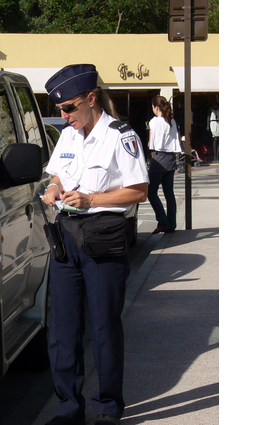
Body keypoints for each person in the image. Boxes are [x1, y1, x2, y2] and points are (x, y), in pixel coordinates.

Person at [41, 64, 148, 425]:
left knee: (104, 327)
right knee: (63, 329)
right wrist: (54, 189)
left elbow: (139, 191)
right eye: (59, 108)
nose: (63, 114)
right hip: (66, 237)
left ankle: (107, 407)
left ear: (91, 99)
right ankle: (69, 408)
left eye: (69, 107)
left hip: (103, 235)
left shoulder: (120, 135)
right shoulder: (68, 135)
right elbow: (57, 172)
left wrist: (92, 200)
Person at [147, 96, 181, 234]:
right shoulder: (172, 121)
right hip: (171, 158)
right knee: (169, 193)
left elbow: (150, 143)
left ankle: (163, 221)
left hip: (159, 158)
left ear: (156, 107)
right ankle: (171, 224)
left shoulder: (154, 122)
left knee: (150, 191)